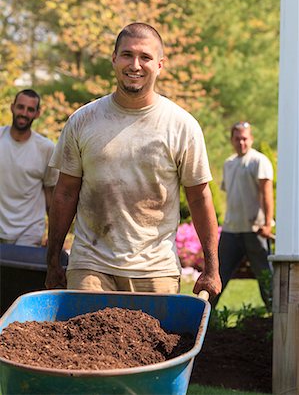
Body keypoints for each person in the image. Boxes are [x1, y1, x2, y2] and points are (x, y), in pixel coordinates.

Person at [45, 22, 222, 298]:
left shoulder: (181, 126)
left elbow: (199, 198)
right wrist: (53, 259)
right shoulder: (83, 121)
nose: (135, 65)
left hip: (155, 270)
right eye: (127, 55)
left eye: (146, 57)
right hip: (91, 265)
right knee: (85, 340)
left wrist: (212, 267)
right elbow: (65, 193)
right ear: (114, 59)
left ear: (160, 65)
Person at [214, 121, 274, 309]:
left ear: (251, 139)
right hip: (231, 230)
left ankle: (274, 316)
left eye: (245, 139)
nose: (241, 143)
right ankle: (206, 316)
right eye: (238, 139)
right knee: (218, 274)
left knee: (266, 277)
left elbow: (267, 193)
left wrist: (267, 223)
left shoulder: (259, 161)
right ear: (232, 140)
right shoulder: (229, 163)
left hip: (254, 229)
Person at [0, 89, 59, 246]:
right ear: (12, 107)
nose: (24, 113)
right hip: (1, 227)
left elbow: (50, 196)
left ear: (37, 114)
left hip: (30, 231)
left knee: (20, 270)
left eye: (30, 109)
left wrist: (54, 237)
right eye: (21, 107)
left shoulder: (46, 148)